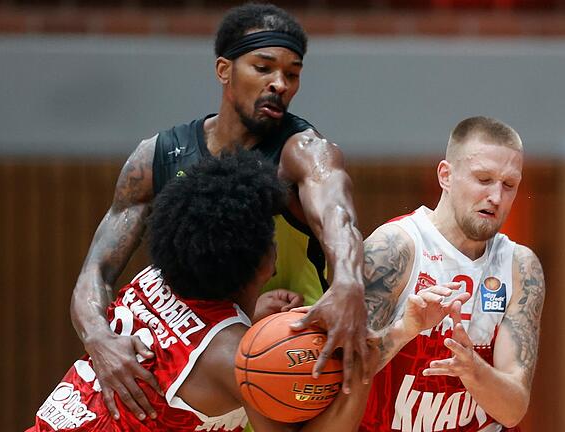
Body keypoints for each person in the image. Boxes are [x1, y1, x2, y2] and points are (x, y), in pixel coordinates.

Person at [70, 3, 368, 421]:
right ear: (224, 70)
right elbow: (96, 271)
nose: (279, 84)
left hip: (292, 347)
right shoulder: (158, 155)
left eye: (292, 73)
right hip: (199, 352)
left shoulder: (303, 151)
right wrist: (97, 338)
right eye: (263, 68)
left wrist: (351, 283)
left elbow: (339, 219)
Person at [29, 151, 370, 432]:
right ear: (263, 257)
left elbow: (182, 336)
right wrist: (366, 356)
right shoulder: (235, 357)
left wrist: (250, 319)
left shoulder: (155, 277)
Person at [358, 117, 546, 431]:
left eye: (509, 185)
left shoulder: (520, 267)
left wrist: (473, 369)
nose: (496, 197)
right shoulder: (394, 248)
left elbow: (514, 410)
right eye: (483, 179)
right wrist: (407, 329)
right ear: (446, 175)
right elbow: (342, 375)